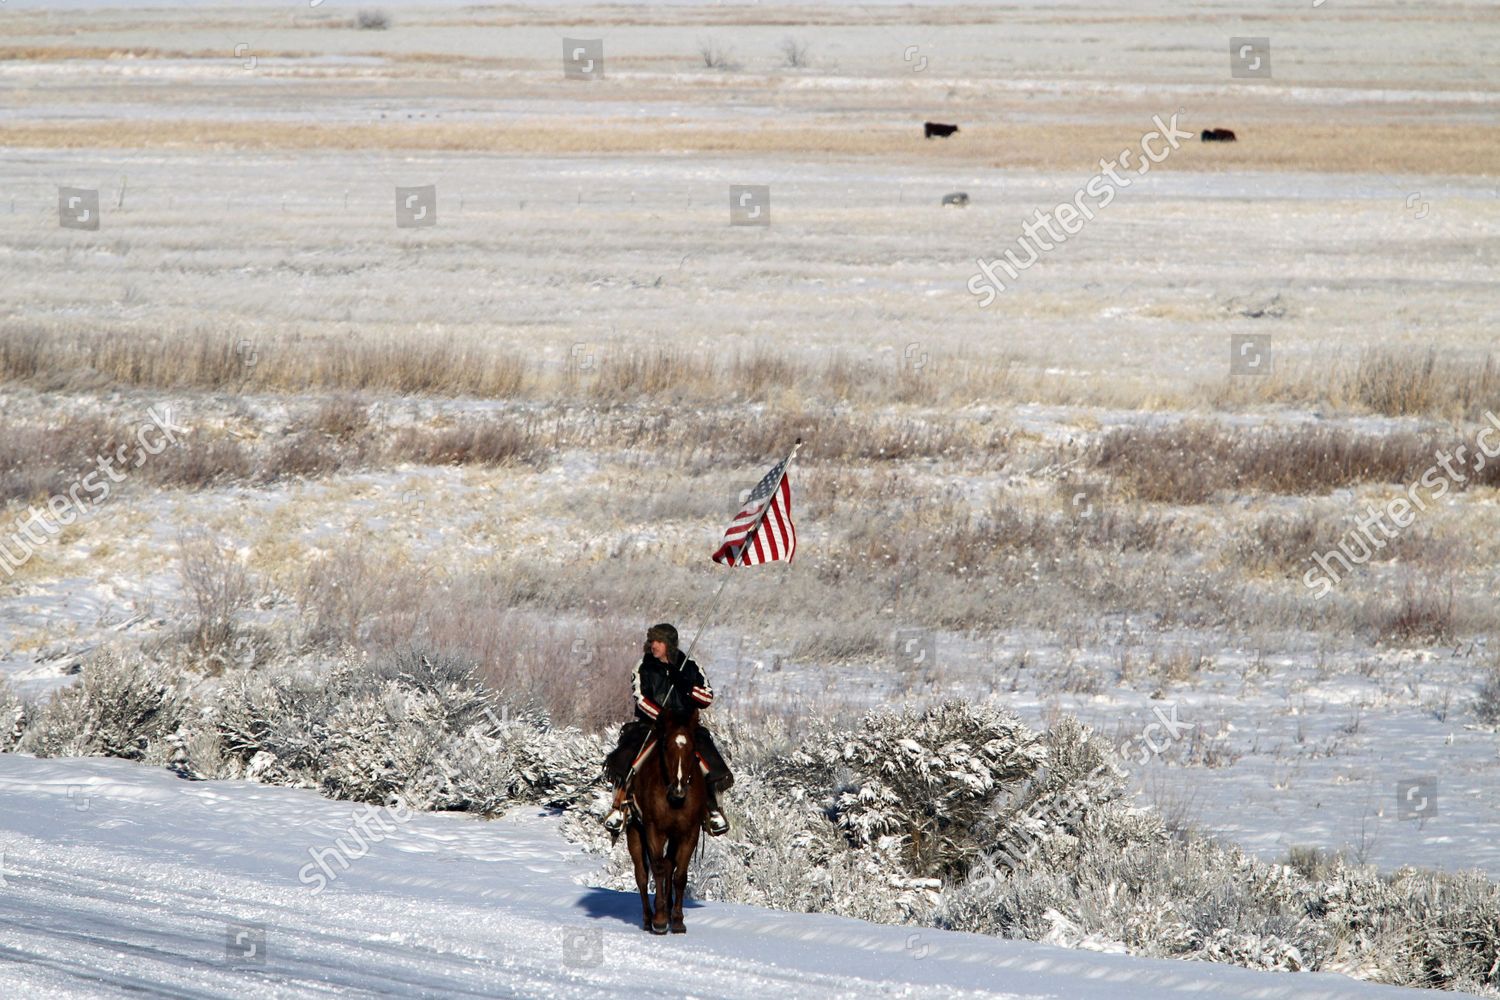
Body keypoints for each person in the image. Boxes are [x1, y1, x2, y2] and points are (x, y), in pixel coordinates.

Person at [602, 623, 733, 836]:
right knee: (628, 756)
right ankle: (620, 806)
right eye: (652, 641)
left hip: (686, 726)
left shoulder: (690, 666)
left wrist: (686, 686)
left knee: (708, 758)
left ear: (669, 644)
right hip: (652, 725)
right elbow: (640, 697)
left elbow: (707, 697)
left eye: (659, 641)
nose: (654, 645)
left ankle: (713, 808)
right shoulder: (643, 666)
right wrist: (664, 718)